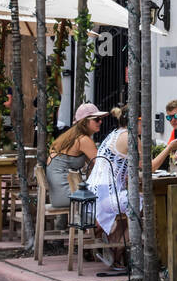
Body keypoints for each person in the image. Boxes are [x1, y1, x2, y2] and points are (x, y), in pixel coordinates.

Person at [87, 106, 131, 268]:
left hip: (94, 194)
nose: (100, 122)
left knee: (131, 203)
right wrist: (169, 149)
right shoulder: (130, 137)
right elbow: (149, 167)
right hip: (107, 197)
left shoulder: (113, 134)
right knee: (142, 206)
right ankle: (117, 251)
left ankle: (112, 237)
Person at [46, 103, 102, 208]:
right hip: (67, 195)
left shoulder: (72, 136)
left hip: (57, 196)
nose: (100, 122)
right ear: (85, 122)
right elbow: (101, 165)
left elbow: (92, 165)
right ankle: (98, 224)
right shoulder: (83, 140)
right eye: (97, 119)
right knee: (107, 198)